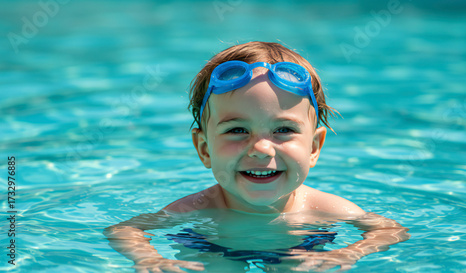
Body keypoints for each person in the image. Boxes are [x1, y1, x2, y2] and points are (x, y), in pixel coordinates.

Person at [104, 41, 410, 273]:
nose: (261, 148)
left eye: (283, 129)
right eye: (237, 130)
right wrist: (149, 258)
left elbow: (391, 231)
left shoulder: (325, 208)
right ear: (204, 149)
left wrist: (346, 253)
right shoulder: (198, 208)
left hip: (303, 250)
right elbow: (124, 230)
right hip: (213, 250)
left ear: (314, 147)